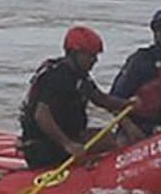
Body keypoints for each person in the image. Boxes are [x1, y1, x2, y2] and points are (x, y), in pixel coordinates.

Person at [19, 25, 141, 168]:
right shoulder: (55, 76)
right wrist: (68, 144)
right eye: (90, 55)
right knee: (109, 142)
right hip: (43, 146)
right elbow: (41, 115)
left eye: (95, 56)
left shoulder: (80, 77)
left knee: (110, 139)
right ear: (74, 53)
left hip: (69, 136)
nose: (95, 60)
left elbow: (101, 100)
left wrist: (127, 103)